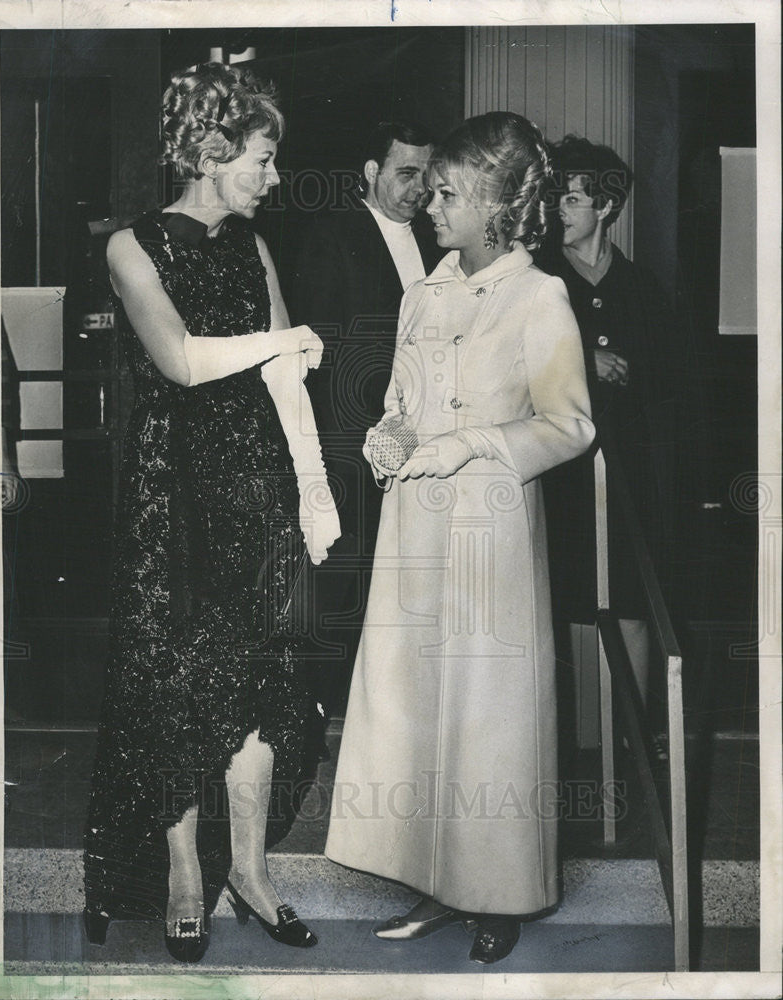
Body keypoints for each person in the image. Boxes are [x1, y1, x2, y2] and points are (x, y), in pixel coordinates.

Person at [83, 62, 340, 963]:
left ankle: (253, 870)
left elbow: (282, 376)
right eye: (262, 160)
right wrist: (284, 338)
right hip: (175, 492)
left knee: (264, 686)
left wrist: (313, 489)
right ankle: (185, 873)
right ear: (210, 150)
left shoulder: (251, 244)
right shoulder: (130, 245)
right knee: (180, 686)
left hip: (258, 485)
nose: (273, 178)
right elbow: (183, 362)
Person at [324, 112, 595, 965]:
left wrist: (473, 445)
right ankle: (435, 881)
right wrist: (388, 431)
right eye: (431, 190)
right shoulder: (424, 290)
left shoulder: (538, 295)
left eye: (446, 194)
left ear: (490, 204)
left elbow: (569, 425)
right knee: (416, 708)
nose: (430, 206)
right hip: (414, 524)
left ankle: (498, 893)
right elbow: (403, 396)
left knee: (487, 717)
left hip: (490, 531)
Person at [290, 121, 445, 738]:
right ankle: (329, 719)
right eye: (405, 173)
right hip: (352, 446)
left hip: (427, 442)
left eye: (428, 177)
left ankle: (398, 720)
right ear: (371, 172)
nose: (418, 189)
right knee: (347, 582)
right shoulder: (330, 238)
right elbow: (321, 354)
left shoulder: (440, 241)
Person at [538, 136, 677, 712]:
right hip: (560, 474)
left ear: (606, 208)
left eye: (571, 200)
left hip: (627, 478)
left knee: (631, 603)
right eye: (555, 200)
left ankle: (636, 734)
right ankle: (580, 746)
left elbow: (666, 392)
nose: (558, 213)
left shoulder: (644, 291)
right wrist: (584, 364)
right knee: (569, 604)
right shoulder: (540, 283)